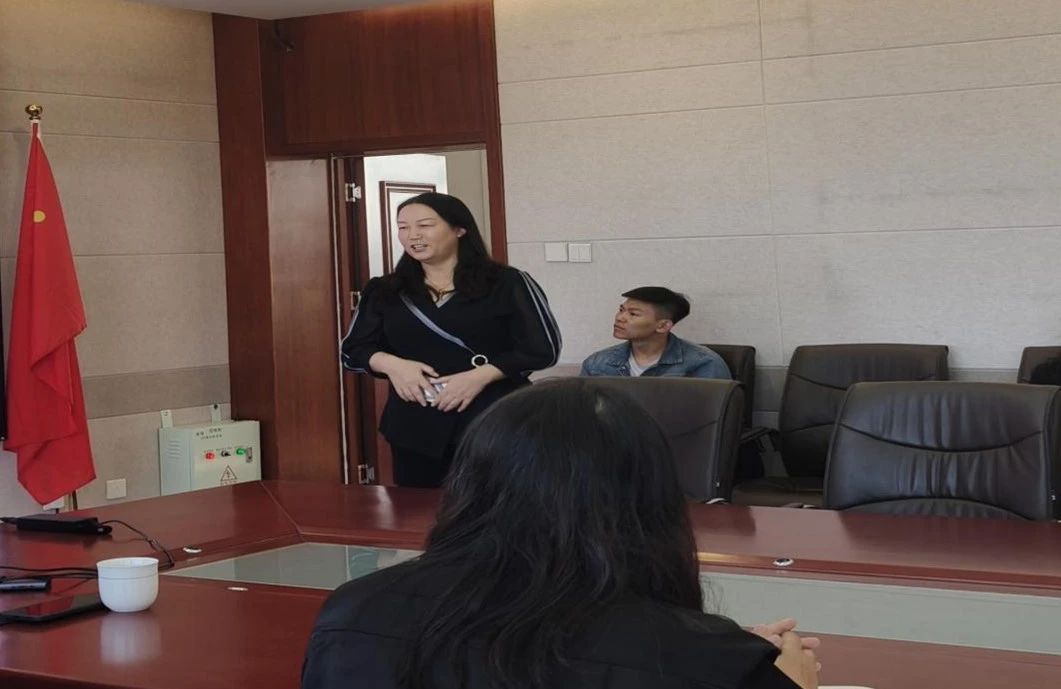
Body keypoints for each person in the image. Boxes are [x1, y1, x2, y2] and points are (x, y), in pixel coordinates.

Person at [302, 379, 819, 689]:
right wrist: (766, 676)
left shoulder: (354, 610)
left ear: (469, 484)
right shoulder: (705, 659)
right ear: (652, 498)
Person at [341, 192, 560, 487]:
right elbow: (353, 350)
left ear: (459, 229)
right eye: (403, 227)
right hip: (415, 425)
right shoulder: (385, 289)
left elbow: (543, 349)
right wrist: (393, 365)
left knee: (496, 506)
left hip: (494, 419)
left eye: (425, 225)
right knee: (419, 511)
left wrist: (480, 376)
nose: (412, 235)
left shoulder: (508, 282)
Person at [580, 286, 731, 379]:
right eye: (621, 310)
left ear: (663, 326)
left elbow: (713, 418)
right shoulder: (597, 363)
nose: (620, 318)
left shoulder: (703, 363)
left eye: (633, 314)